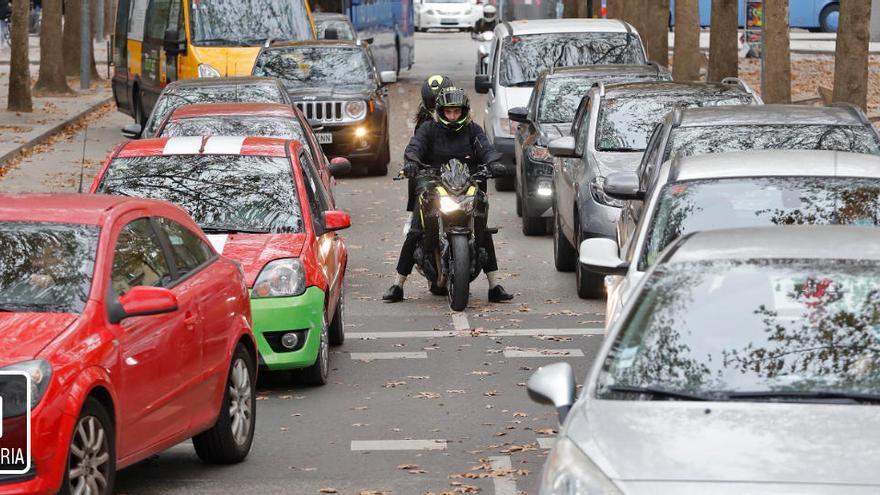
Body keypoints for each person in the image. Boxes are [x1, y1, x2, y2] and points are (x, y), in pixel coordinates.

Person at [383, 87, 514, 304]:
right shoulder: (428, 129)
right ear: (441, 112)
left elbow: (486, 148)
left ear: (464, 112)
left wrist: (494, 163)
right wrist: (412, 163)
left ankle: (494, 285)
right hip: (434, 185)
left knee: (483, 226)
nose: (453, 116)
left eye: (457, 112)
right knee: (416, 229)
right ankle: (398, 284)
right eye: (448, 112)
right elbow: (415, 147)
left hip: (467, 184)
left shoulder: (473, 130)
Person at [407, 74, 454, 212]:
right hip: (431, 171)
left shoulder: (464, 120)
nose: (436, 107)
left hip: (459, 173)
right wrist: (412, 161)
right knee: (420, 192)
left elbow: (480, 144)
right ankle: (415, 222)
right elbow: (416, 145)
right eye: (432, 102)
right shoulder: (424, 125)